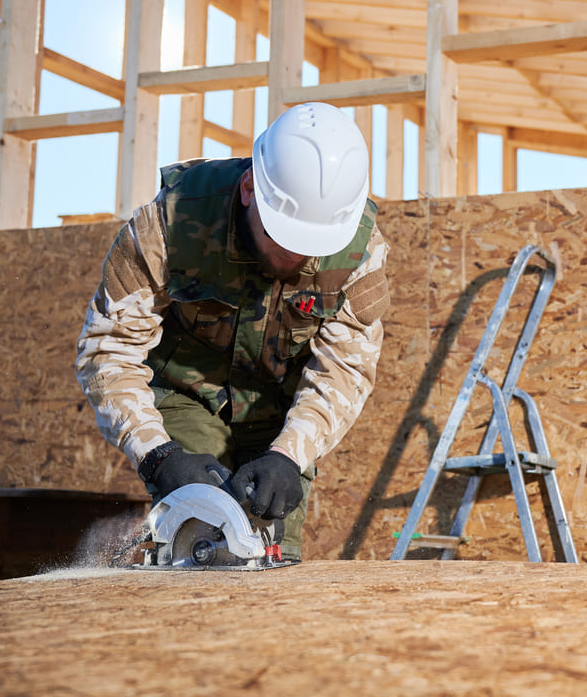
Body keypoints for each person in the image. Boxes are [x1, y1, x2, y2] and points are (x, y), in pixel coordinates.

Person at [75, 102, 390, 561]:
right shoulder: (166, 225)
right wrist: (158, 454)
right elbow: (109, 349)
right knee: (201, 542)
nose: (295, 256)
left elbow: (345, 370)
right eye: (282, 235)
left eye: (311, 245)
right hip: (187, 395)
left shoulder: (360, 256)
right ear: (248, 189)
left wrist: (290, 455)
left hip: (281, 412)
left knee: (270, 556)